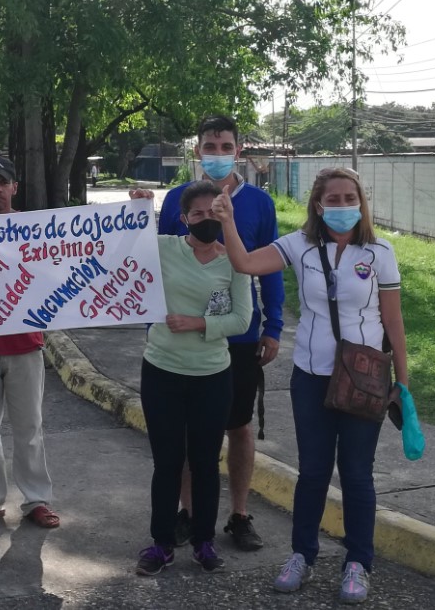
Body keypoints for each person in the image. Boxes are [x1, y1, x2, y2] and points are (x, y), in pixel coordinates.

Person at [213, 166, 410, 604]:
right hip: (310, 376)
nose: (342, 206)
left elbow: (393, 321)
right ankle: (302, 555)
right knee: (313, 473)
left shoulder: (379, 252)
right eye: (333, 199)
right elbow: (245, 263)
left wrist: (404, 383)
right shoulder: (298, 245)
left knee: (357, 475)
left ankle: (358, 563)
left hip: (365, 379)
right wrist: (227, 221)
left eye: (349, 197)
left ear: (362, 201)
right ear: (318, 205)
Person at [157, 114, 284, 551]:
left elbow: (270, 270)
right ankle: (190, 514)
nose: (216, 154)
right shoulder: (178, 199)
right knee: (194, 436)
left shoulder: (260, 204)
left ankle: (239, 514)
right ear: (197, 151)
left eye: (224, 146)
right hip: (187, 341)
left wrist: (274, 326)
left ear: (238, 150)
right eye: (208, 147)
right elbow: (155, 264)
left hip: (241, 337)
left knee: (239, 425)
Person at [130, 182, 252, 576]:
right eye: (197, 214)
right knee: (167, 462)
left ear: (224, 214)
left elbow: (241, 319)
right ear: (184, 219)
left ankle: (204, 541)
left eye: (212, 212)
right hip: (162, 371)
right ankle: (162, 543)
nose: (205, 220)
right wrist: (137, 209)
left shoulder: (235, 260)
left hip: (212, 377)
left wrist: (198, 323)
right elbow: (124, 244)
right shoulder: (164, 248)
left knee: (204, 462)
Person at [0, 155, 59, 528]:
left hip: (25, 343)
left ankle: (36, 499)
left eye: (2, 182)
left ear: (13, 188)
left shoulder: (33, 228)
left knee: (29, 428)